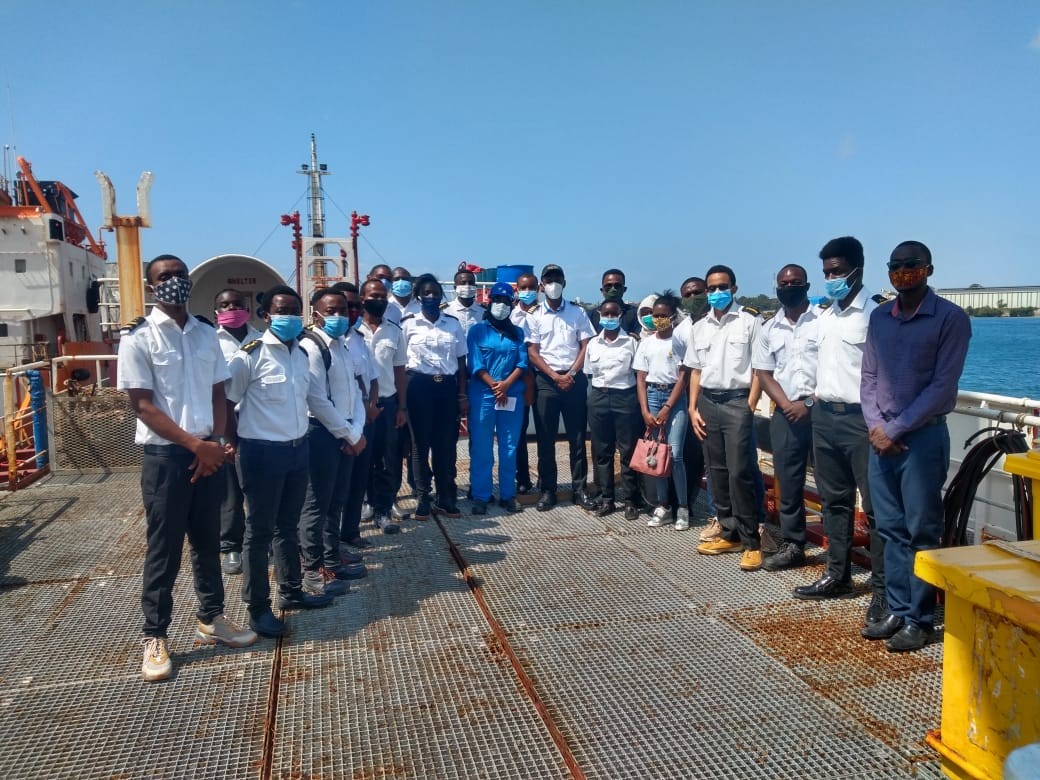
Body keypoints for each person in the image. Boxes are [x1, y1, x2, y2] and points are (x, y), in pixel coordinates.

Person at [117, 255, 256, 682]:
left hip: (208, 451)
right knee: (165, 547)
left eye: (180, 275)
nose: (174, 282)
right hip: (167, 457)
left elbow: (219, 392)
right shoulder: (137, 338)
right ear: (150, 285)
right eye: (165, 277)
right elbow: (141, 405)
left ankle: (212, 617)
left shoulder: (205, 335)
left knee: (207, 541)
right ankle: (154, 635)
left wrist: (214, 441)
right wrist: (195, 444)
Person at [860, 241, 970, 652]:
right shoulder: (879, 319)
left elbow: (943, 387)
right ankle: (896, 606)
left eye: (912, 266)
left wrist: (897, 429)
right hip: (881, 438)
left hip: (920, 439)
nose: (904, 272)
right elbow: (868, 377)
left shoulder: (951, 319)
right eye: (897, 266)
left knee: (921, 528)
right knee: (889, 528)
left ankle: (919, 618)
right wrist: (876, 426)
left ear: (928, 269)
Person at [226, 285, 335, 639]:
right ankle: (257, 607)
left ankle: (291, 592)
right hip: (260, 452)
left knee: (287, 527)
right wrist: (232, 444)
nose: (288, 316)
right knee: (258, 533)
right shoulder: (249, 355)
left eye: (294, 309)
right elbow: (228, 402)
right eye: (281, 310)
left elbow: (311, 398)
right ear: (266, 315)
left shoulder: (301, 354)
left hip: (296, 449)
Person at [793, 237, 887, 625]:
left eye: (837, 271)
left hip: (862, 420)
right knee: (834, 501)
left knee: (877, 508)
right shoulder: (823, 316)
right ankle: (838, 574)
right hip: (825, 416)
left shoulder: (876, 316)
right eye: (826, 272)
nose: (831, 278)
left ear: (858, 271)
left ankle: (883, 591)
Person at [684, 264, 764, 571]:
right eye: (712, 288)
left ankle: (751, 541)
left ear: (734, 287)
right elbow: (695, 370)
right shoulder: (700, 326)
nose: (716, 293)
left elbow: (759, 368)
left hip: (736, 402)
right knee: (716, 469)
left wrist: (751, 404)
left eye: (722, 287)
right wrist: (692, 408)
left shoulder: (748, 321)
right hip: (707, 401)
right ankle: (729, 533)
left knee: (740, 471)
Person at [297, 288, 367, 599]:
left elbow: (354, 393)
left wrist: (355, 430)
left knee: (335, 501)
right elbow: (316, 399)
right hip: (322, 433)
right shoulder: (311, 347)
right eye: (331, 310)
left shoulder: (342, 345)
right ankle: (313, 571)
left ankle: (331, 556)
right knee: (316, 506)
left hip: (345, 432)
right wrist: (347, 434)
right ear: (315, 315)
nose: (339, 316)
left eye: (343, 309)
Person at [753, 265, 820, 570]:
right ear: (776, 287)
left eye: (795, 282)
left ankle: (837, 552)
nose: (789, 287)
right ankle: (795, 544)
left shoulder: (823, 321)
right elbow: (764, 373)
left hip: (822, 412)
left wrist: (808, 402)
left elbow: (837, 367)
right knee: (789, 482)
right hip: (785, 412)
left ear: (807, 285)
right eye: (783, 283)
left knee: (832, 485)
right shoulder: (769, 328)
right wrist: (787, 404)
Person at [525, 263, 596, 512]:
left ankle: (579, 489)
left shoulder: (578, 313)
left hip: (574, 379)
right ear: (542, 285)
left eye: (557, 279)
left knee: (578, 438)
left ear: (564, 283)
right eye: (549, 279)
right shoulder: (533, 316)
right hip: (547, 381)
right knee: (546, 439)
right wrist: (555, 376)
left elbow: (586, 345)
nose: (553, 284)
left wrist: (572, 374)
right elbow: (532, 352)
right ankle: (548, 490)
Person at [401, 274, 468, 519]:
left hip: (447, 389)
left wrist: (462, 395)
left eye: (436, 293)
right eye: (426, 293)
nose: (431, 297)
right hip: (419, 387)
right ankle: (422, 497)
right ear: (418, 297)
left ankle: (446, 497)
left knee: (446, 446)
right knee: (420, 446)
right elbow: (400, 362)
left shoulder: (452, 324)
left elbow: (461, 361)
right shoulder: (408, 324)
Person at [467, 282, 528, 514]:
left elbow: (522, 362)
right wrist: (494, 385)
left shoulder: (518, 332)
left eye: (506, 301)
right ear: (489, 302)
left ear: (512, 304)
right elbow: (475, 363)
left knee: (509, 445)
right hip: (483, 395)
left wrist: (506, 385)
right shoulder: (477, 331)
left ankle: (507, 495)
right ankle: (482, 495)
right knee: (482, 446)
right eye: (497, 301)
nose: (501, 305)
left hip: (511, 395)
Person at [213, 288, 262, 576]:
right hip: (223, 419)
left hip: (256, 422)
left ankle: (259, 538)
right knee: (229, 489)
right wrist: (222, 435)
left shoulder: (262, 340)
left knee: (258, 486)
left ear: (249, 309)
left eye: (238, 304)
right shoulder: (210, 341)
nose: (232, 308)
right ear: (216, 311)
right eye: (225, 304)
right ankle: (231, 545)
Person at [357, 278, 409, 533]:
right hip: (358, 405)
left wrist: (402, 407)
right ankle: (365, 502)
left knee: (387, 460)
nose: (377, 300)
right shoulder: (351, 331)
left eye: (381, 296)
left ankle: (384, 510)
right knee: (362, 458)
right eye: (372, 295)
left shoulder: (394, 331)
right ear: (362, 297)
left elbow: (400, 371)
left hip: (388, 403)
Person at [635, 292, 690, 528]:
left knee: (675, 454)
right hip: (653, 396)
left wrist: (669, 406)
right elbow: (640, 378)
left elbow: (683, 376)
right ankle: (663, 505)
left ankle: (684, 508)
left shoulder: (678, 342)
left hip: (674, 398)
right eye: (655, 315)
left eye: (663, 315)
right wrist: (645, 410)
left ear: (672, 316)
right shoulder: (646, 342)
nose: (658, 320)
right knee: (656, 454)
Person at [584, 299, 642, 520]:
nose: (609, 317)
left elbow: (637, 373)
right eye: (605, 314)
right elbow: (589, 372)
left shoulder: (631, 342)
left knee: (628, 451)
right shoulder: (593, 344)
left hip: (625, 398)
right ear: (599, 314)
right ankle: (607, 498)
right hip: (599, 397)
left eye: (613, 314)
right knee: (602, 452)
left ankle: (630, 500)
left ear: (620, 315)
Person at [510, 272, 540, 495]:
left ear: (538, 288)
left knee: (545, 431)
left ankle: (547, 478)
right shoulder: (510, 315)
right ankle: (523, 477)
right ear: (517, 290)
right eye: (523, 288)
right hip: (519, 377)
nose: (527, 292)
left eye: (531, 287)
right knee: (518, 431)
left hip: (542, 375)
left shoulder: (546, 312)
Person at [588, 269, 641, 336]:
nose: (613, 289)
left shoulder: (635, 314)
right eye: (608, 286)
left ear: (624, 289)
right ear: (602, 290)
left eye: (617, 286)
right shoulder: (591, 316)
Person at [445, 265, 486, 338]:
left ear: (475, 287)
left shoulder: (484, 312)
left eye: (471, 283)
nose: (467, 286)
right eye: (463, 283)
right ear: (455, 287)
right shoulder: (445, 311)